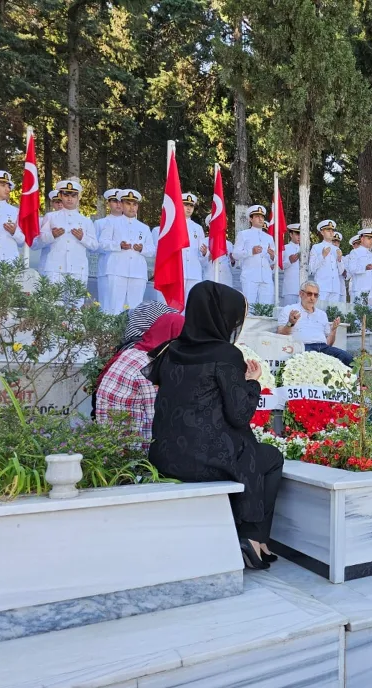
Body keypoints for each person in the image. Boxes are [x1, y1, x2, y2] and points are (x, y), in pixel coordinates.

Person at [146, 281, 283, 571]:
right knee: (270, 458)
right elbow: (239, 415)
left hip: (165, 457)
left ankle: (255, 540)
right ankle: (253, 536)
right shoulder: (225, 355)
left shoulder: (170, 350)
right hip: (209, 460)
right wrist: (252, 383)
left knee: (249, 453)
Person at [95, 313, 184, 450]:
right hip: (132, 448)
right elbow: (156, 413)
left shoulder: (131, 352)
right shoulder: (150, 365)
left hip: (107, 438)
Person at [99, 189, 155, 313]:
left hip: (137, 272)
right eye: (128, 204)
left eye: (134, 204)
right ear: (122, 204)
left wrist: (142, 249)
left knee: (135, 307)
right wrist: (118, 245)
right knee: (114, 306)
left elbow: (152, 250)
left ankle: (133, 332)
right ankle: (113, 332)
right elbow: (103, 243)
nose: (132, 207)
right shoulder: (112, 223)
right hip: (117, 270)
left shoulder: (144, 227)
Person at [38, 178, 98, 294]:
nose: (70, 199)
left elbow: (94, 246)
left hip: (77, 268)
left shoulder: (86, 221)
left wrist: (82, 238)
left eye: (73, 195)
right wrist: (52, 235)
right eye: (66, 195)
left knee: (74, 306)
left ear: (78, 197)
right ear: (60, 195)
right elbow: (40, 241)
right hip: (55, 268)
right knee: (54, 304)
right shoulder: (51, 217)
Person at [276, 280, 353, 365]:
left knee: (348, 358)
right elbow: (281, 335)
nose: (312, 298)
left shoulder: (322, 314)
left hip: (323, 348)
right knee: (313, 361)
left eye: (315, 295)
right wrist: (290, 323)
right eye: (309, 294)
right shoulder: (289, 309)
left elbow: (329, 344)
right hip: (302, 347)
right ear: (301, 294)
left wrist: (333, 330)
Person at [232, 205, 275, 305]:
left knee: (266, 307)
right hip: (250, 277)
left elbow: (274, 260)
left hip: (266, 277)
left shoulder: (269, 238)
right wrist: (251, 251)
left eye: (262, 217)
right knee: (250, 307)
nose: (261, 219)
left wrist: (273, 256)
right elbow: (235, 254)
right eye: (257, 216)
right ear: (250, 219)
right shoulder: (243, 234)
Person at [180, 192, 207, 299]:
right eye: (185, 204)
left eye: (191, 205)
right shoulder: (172, 225)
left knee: (192, 302)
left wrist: (205, 252)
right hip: (179, 270)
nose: (189, 208)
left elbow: (202, 252)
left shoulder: (198, 228)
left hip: (194, 271)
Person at [345, 228, 372, 301]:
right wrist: (365, 268)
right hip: (359, 290)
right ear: (362, 238)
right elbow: (352, 269)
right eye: (369, 238)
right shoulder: (354, 252)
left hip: (371, 291)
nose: (371, 241)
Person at [281, 224, 304, 305]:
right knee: (288, 313)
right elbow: (280, 267)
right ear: (291, 234)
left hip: (303, 288)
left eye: (301, 234)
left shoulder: (305, 249)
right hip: (290, 288)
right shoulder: (285, 248)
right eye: (297, 234)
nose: (299, 236)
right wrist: (289, 261)